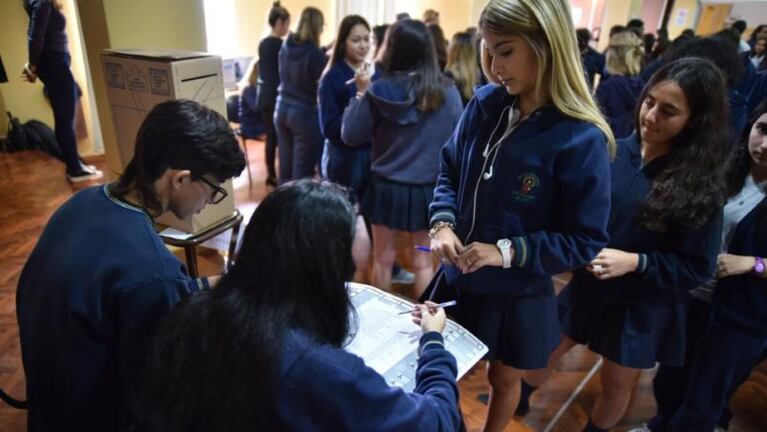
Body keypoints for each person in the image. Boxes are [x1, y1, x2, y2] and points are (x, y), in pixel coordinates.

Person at [136, 180, 462, 431]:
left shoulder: (195, 312)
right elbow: (436, 421)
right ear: (321, 278)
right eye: (343, 279)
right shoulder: (323, 372)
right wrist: (433, 342)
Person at [427, 0, 615, 430]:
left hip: (517, 289)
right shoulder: (486, 104)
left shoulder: (580, 137)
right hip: (459, 274)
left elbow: (585, 239)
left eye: (506, 51)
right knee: (438, 362)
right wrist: (441, 221)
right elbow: (450, 167)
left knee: (504, 377)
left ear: (546, 46)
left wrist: (506, 251)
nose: (494, 66)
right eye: (487, 51)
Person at [519, 58, 730, 432]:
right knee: (545, 349)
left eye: (668, 111)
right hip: (588, 286)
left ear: (695, 121)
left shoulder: (700, 187)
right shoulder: (613, 150)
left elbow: (696, 267)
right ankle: (516, 401)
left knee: (617, 383)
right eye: (649, 102)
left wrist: (637, 262)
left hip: (641, 305)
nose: (650, 116)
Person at [16, 99, 246, 432]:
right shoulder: (151, 273)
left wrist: (223, 282)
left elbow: (132, 288)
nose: (210, 202)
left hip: (48, 409)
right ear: (179, 179)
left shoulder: (85, 201)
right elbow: (156, 399)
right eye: (213, 190)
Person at [660, 100, 767, 432]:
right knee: (669, 381)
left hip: (741, 315)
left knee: (703, 401)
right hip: (693, 298)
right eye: (762, 129)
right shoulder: (726, 170)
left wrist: (754, 263)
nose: (764, 145)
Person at [342, 19, 463, 296]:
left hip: (386, 187)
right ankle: (427, 328)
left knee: (383, 260)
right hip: (428, 188)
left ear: (392, 47)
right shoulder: (447, 90)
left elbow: (350, 134)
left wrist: (361, 91)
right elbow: (457, 140)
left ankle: (379, 321)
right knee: (423, 263)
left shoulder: (378, 89)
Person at [318, 15, 379, 282]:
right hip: (343, 157)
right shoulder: (332, 78)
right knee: (344, 218)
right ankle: (340, 271)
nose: (363, 45)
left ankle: (374, 260)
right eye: (356, 40)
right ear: (343, 42)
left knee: (370, 213)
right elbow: (328, 127)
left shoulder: (372, 71)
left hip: (370, 155)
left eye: (367, 39)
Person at [22, 0, 102, 182]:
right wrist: (32, 66)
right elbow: (35, 36)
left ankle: (75, 164)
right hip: (55, 63)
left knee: (65, 115)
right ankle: (74, 169)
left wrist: (34, 65)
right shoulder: (41, 2)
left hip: (56, 63)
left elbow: (38, 34)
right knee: (65, 118)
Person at [274, 7, 327, 182]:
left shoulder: (286, 45)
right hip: (303, 114)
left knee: (285, 167)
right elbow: (320, 85)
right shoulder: (315, 54)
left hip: (281, 109)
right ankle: (297, 208)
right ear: (317, 27)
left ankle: (282, 206)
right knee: (301, 171)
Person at [256, 1, 290, 187]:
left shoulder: (263, 43)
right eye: (286, 24)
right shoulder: (280, 45)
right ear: (278, 23)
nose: (287, 28)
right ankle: (280, 176)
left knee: (271, 137)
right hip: (274, 96)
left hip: (264, 97)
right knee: (279, 138)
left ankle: (271, 174)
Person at [595, 31, 645, 139]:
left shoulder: (607, 87)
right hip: (630, 148)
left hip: (607, 146)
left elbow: (594, 124)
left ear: (612, 55)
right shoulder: (643, 86)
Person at [445, 31, 481, 106]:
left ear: (453, 51)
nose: (446, 49)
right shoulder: (479, 77)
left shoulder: (448, 77)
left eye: (449, 46)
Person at [238, 60, 265, 152]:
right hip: (252, 125)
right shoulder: (248, 89)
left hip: (260, 121)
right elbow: (258, 108)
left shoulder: (259, 87)